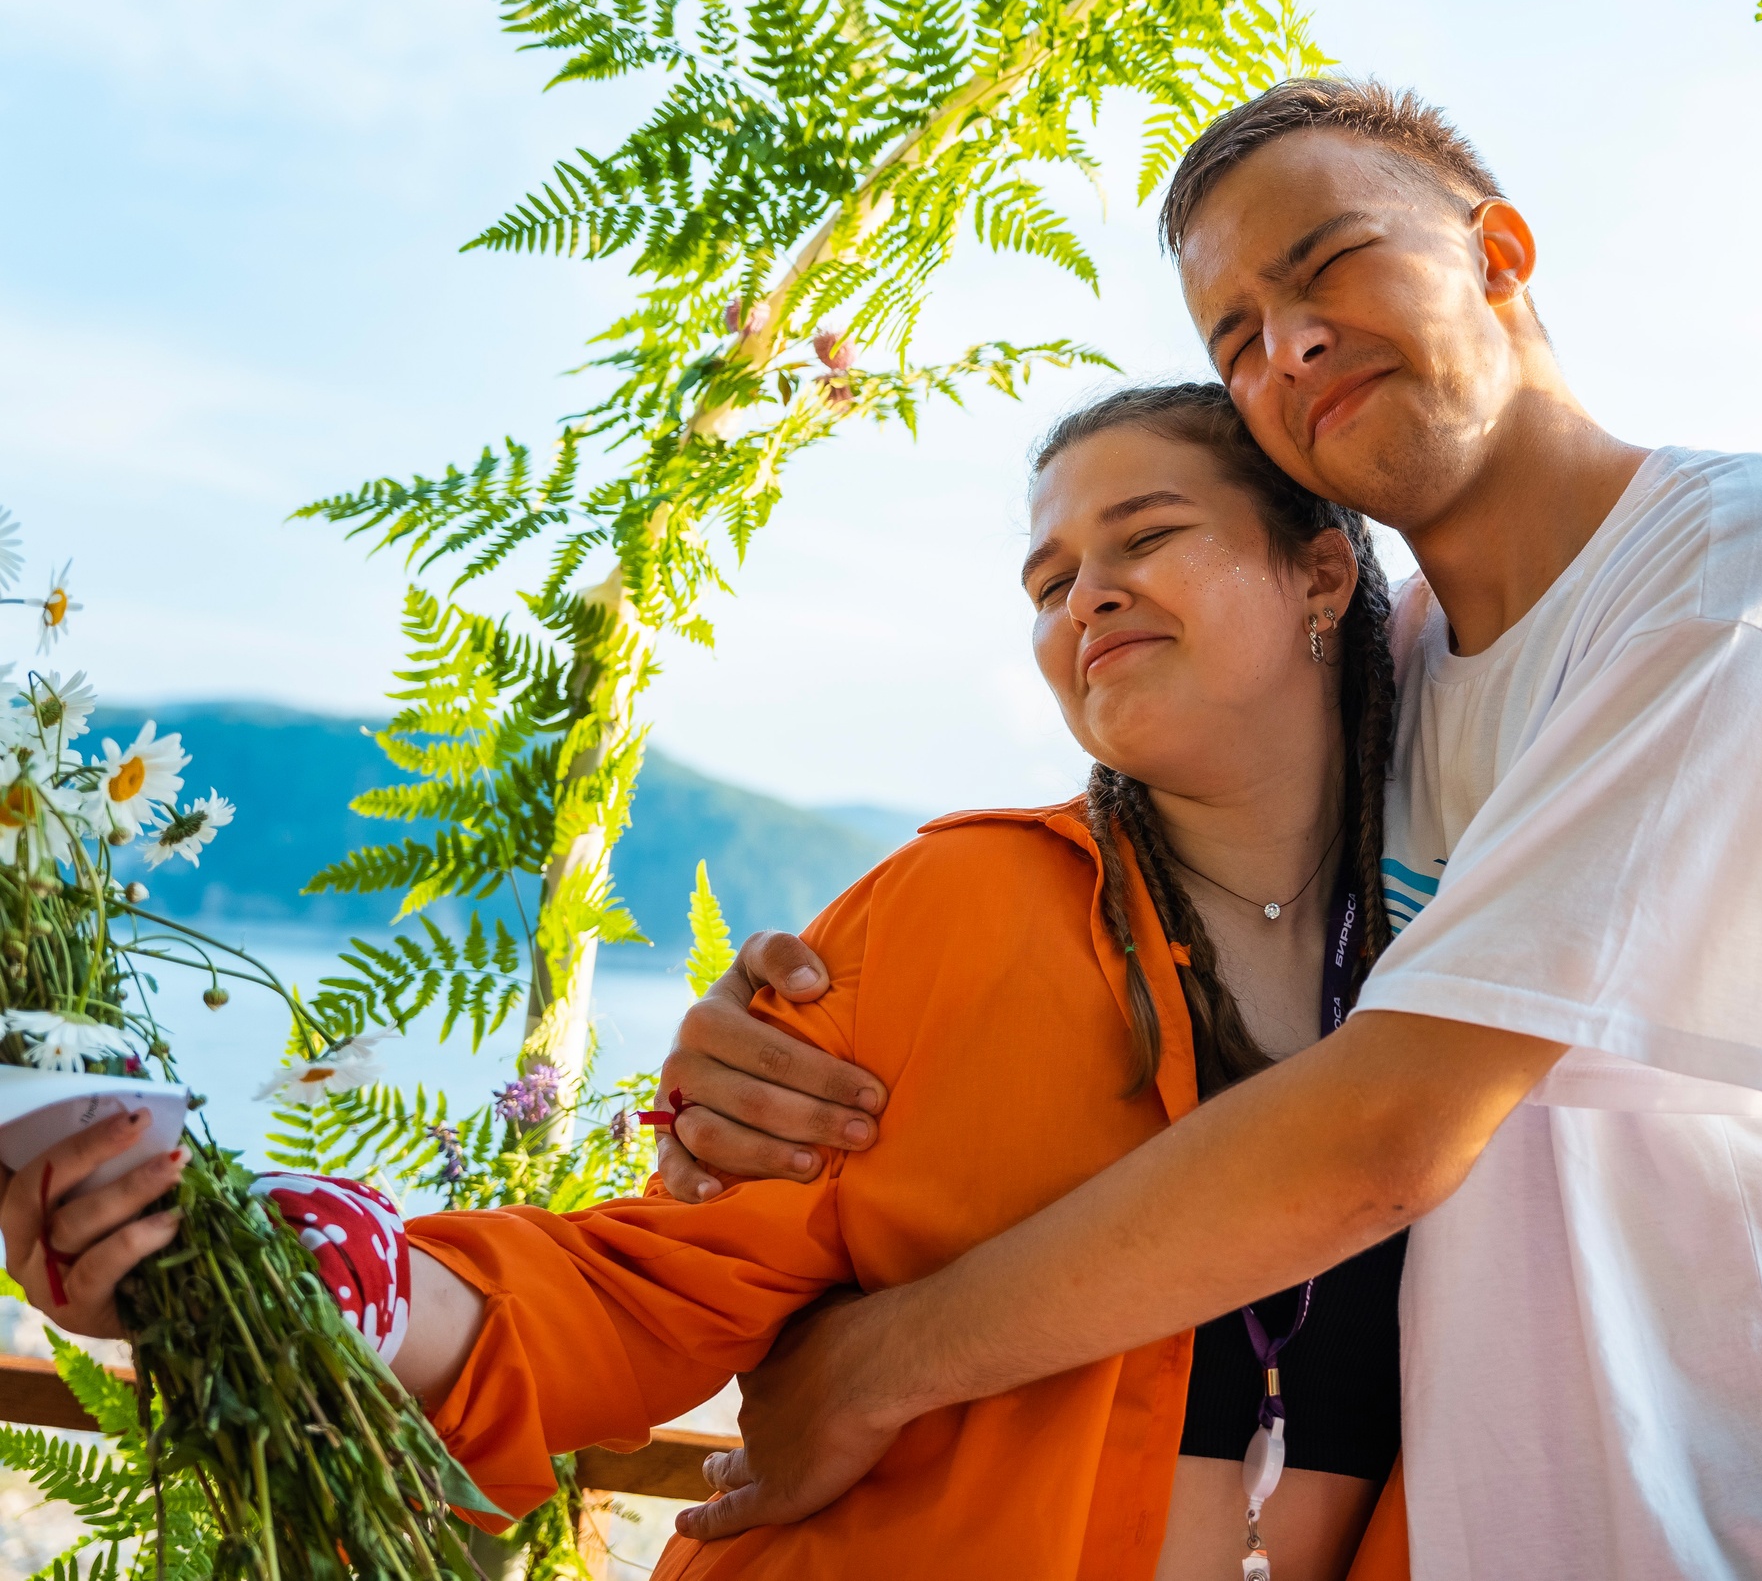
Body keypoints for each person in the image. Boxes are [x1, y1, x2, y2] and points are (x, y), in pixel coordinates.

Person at [653, 79, 1762, 1580]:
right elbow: (1148, 859)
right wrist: (790, 1029)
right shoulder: (1395, 671)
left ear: (1499, 254)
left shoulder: (1744, 571)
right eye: (1236, 338)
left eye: (1328, 266)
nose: (1289, 348)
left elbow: (1388, 1133)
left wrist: (877, 1368)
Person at [0, 385, 1437, 1581]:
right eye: (1050, 581)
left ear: (1322, 572)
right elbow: (655, 1287)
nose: (1088, 595)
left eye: (1150, 535)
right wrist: (325, 1276)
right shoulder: (958, 905)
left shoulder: (1461, 965)